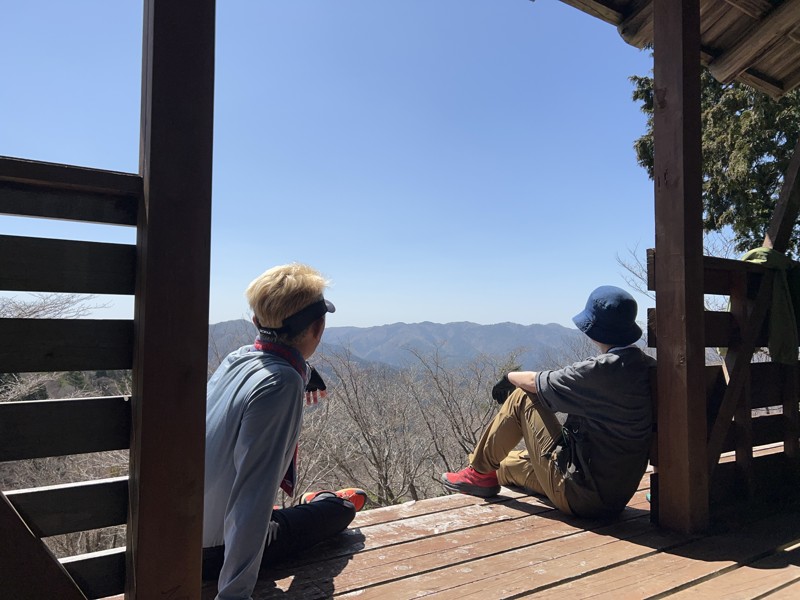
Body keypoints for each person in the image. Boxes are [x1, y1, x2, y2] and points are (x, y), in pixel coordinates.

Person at [203, 263, 367, 600]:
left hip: (180, 528)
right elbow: (252, 496)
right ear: (318, 328)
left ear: (255, 323)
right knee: (340, 512)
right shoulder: (281, 382)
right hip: (214, 552)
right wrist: (233, 594)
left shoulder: (237, 359)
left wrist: (303, 371)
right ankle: (324, 499)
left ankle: (313, 503)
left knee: (284, 516)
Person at [442, 285, 655, 518]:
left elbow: (536, 382)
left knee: (522, 396)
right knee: (505, 465)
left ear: (592, 330)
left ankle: (478, 473)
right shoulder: (645, 365)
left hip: (578, 493)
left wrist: (509, 377)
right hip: (612, 495)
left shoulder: (602, 370)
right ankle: (485, 470)